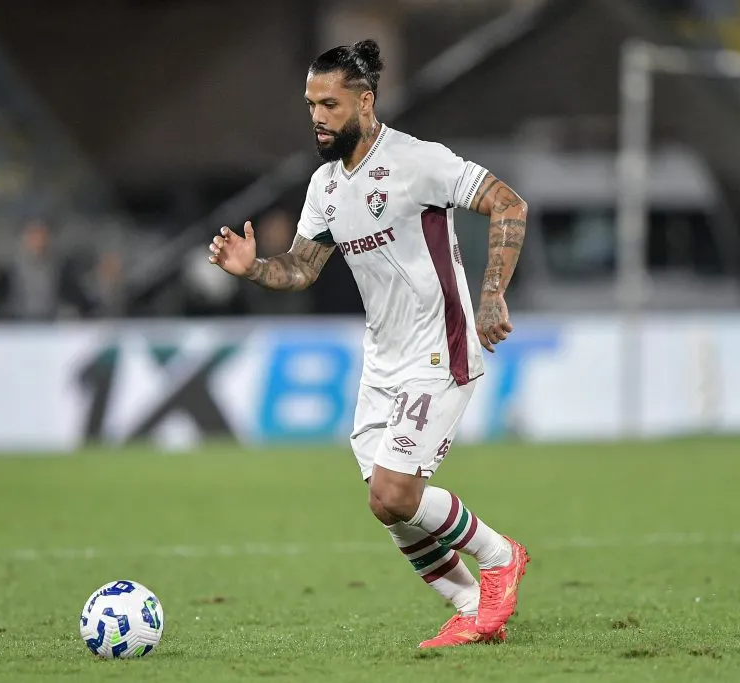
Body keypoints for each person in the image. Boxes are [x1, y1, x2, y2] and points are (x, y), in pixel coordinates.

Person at [207, 39, 530, 649]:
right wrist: (253, 268)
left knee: (393, 493)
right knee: (387, 506)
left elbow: (509, 204)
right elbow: (301, 269)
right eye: (310, 105)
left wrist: (491, 294)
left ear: (365, 101)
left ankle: (499, 558)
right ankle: (468, 606)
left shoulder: (419, 162)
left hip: (440, 346)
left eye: (329, 104)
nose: (317, 117)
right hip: (382, 360)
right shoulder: (326, 186)